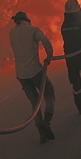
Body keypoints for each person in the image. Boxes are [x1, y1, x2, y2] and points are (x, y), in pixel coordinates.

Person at [9, 11, 56, 144]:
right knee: (49, 94)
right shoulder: (33, 30)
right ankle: (46, 123)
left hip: (21, 75)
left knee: (35, 102)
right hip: (35, 71)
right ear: (27, 20)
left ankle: (42, 134)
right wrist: (49, 55)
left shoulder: (11, 33)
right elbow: (46, 41)